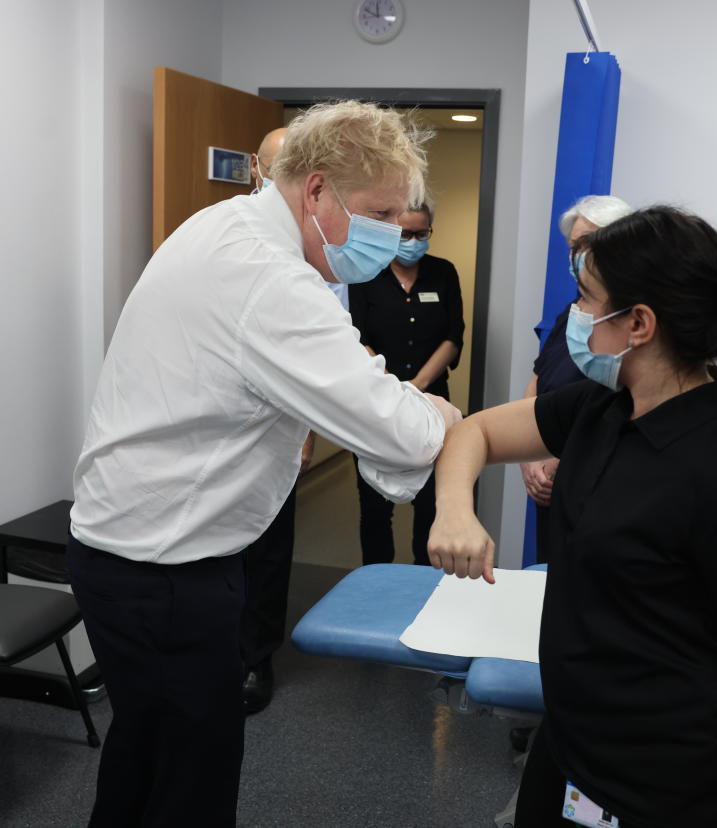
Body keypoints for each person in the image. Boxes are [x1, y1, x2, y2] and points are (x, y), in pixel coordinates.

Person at [68, 101, 462, 828]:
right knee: (192, 776)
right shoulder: (268, 279)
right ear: (315, 190)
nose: (388, 234)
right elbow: (402, 438)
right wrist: (438, 414)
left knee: (147, 752)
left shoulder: (224, 225)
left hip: (135, 547)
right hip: (164, 567)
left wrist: (365, 386)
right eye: (377, 213)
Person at [428, 206, 717, 827]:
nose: (575, 317)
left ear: (638, 323)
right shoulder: (605, 406)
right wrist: (454, 511)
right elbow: (475, 433)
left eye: (585, 299)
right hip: (571, 743)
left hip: (659, 783)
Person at [238, 125, 323, 715]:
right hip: (229, 434)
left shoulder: (315, 253)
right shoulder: (228, 238)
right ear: (256, 169)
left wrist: (308, 432)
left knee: (269, 551)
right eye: (276, 166)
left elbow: (325, 360)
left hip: (282, 431)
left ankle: (255, 659)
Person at [348, 199, 465, 565]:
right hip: (378, 406)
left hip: (433, 405)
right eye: (405, 233)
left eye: (421, 233)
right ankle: (376, 582)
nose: (413, 241)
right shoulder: (365, 275)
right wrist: (394, 388)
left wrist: (416, 385)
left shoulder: (443, 273)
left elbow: (453, 335)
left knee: (429, 504)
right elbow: (355, 337)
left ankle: (424, 582)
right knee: (376, 508)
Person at [520, 195, 632, 565]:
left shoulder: (629, 327)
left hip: (593, 488)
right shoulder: (574, 315)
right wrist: (529, 454)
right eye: (574, 247)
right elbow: (538, 381)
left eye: (589, 244)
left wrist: (558, 458)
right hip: (550, 484)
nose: (577, 256)